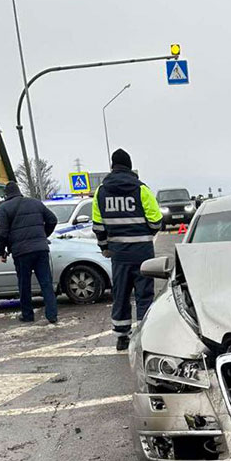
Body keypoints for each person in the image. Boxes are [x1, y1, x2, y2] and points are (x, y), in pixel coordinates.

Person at [92, 148, 163, 351]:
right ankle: (144, 335)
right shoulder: (142, 189)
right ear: (130, 166)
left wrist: (105, 246)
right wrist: (146, 234)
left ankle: (122, 337)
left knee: (121, 294)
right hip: (142, 252)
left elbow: (98, 225)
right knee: (144, 295)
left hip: (119, 253)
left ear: (112, 167)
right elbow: (156, 220)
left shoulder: (101, 192)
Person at [0, 181, 59, 324]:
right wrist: (43, 236)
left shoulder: (4, 208)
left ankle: (27, 315)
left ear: (6, 194)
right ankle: (52, 315)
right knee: (46, 283)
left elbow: (1, 234)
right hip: (41, 249)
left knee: (24, 285)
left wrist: (1, 252)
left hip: (21, 252)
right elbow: (52, 220)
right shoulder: (35, 203)